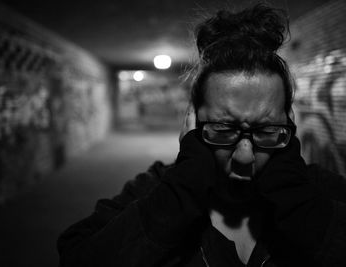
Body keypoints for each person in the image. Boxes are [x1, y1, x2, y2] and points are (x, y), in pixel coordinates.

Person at [57, 4, 346, 266]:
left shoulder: (319, 191)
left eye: (267, 130)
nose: (244, 156)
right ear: (191, 121)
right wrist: (178, 194)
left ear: (289, 123)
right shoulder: (159, 190)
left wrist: (304, 209)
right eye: (223, 129)